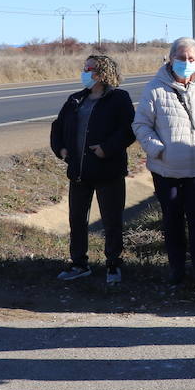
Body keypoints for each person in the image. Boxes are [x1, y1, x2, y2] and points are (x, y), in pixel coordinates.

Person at [133, 37, 195, 288]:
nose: (187, 62)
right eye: (182, 58)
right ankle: (176, 268)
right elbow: (141, 125)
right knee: (172, 221)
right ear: (171, 58)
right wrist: (158, 150)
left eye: (192, 59)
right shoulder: (155, 88)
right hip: (166, 170)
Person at [50, 55, 136, 284]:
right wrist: (61, 149)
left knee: (111, 219)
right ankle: (79, 264)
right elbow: (57, 127)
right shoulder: (75, 100)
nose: (83, 72)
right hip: (79, 171)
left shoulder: (119, 98)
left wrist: (106, 149)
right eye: (84, 68)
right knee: (77, 219)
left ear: (101, 72)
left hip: (108, 171)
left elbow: (129, 130)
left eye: (87, 68)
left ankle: (113, 265)